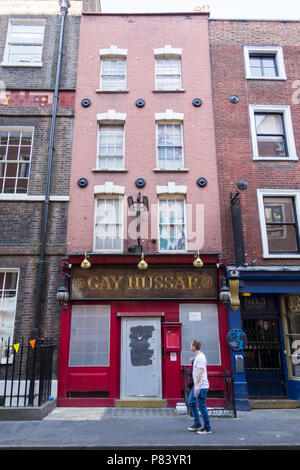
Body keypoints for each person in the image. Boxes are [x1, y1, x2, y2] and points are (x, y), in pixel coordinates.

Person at [187, 339, 212, 434]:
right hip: (197, 385)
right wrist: (193, 362)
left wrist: (196, 386)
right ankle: (197, 424)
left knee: (202, 407)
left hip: (201, 386)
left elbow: (200, 373)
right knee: (192, 403)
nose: (190, 346)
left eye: (191, 344)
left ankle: (207, 428)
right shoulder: (197, 357)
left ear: (194, 346)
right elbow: (197, 369)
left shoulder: (201, 357)